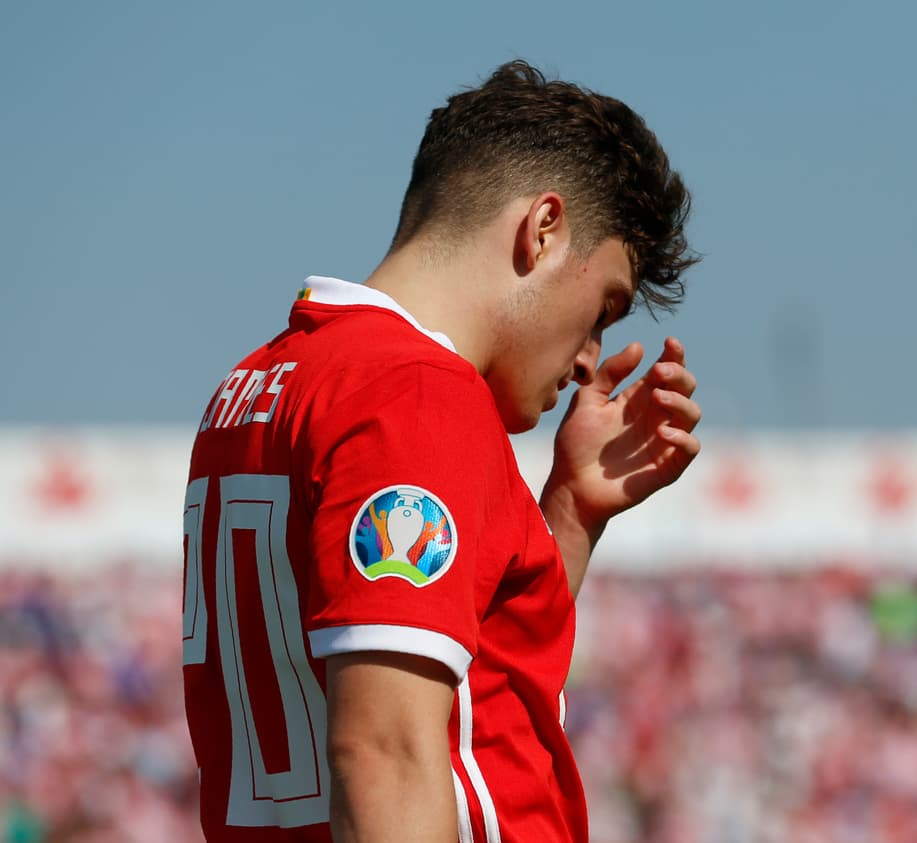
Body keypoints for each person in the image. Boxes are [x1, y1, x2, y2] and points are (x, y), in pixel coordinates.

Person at [180, 60, 701, 842]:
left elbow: (459, 683)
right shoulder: (417, 391)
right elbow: (385, 750)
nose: (593, 355)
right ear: (543, 228)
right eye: (605, 307)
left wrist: (569, 510)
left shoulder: (260, 380)